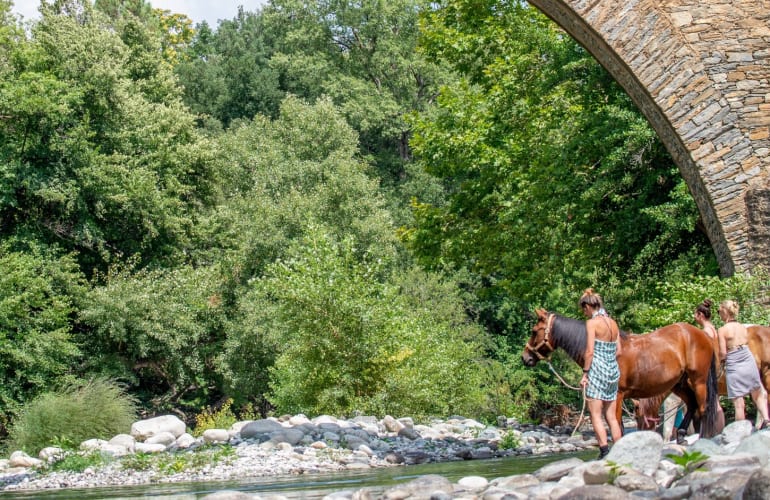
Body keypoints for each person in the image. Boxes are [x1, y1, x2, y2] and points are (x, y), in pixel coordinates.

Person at [579, 288, 623, 459]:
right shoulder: (613, 323)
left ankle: (604, 451)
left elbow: (589, 351)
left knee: (596, 415)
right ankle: (619, 451)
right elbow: (618, 351)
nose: (584, 313)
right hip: (613, 370)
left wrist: (585, 373)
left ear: (588, 306)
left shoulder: (592, 324)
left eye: (584, 309)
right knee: (611, 416)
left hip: (597, 370)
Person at [717, 299, 770, 428]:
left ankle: (740, 430)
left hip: (733, 358)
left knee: (738, 400)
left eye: (719, 311)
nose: (719, 314)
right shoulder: (742, 327)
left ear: (725, 312)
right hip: (747, 356)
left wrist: (720, 363)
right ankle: (768, 421)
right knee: (757, 393)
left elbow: (723, 353)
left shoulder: (722, 330)